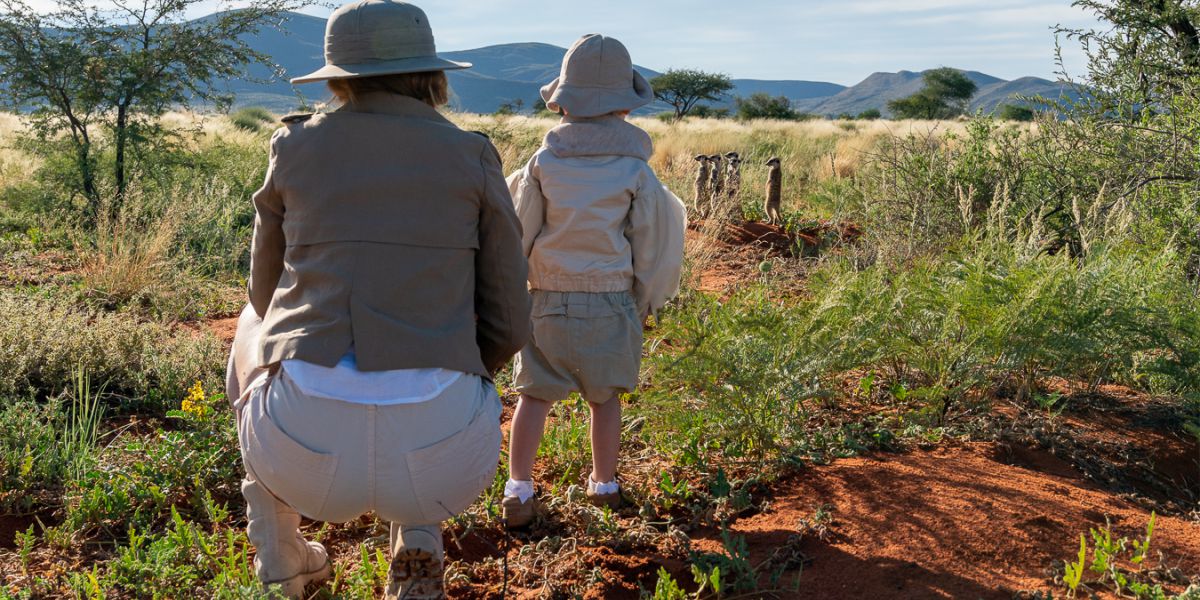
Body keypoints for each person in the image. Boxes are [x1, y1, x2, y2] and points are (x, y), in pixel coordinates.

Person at [226, 1, 532, 598]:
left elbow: (265, 294)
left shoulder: (293, 145)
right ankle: (418, 548)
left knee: (254, 325)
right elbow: (509, 321)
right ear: (431, 72)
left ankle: (280, 550)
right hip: (440, 459)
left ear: (337, 75)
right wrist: (461, 364)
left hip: (298, 453)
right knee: (438, 356)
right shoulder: (472, 153)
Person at [502, 34, 687, 528]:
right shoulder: (636, 170)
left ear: (562, 100)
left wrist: (510, 291)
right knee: (605, 399)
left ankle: (519, 489)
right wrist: (645, 298)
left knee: (533, 396)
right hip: (611, 300)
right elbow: (649, 244)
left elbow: (519, 232)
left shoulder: (541, 164)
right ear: (625, 108)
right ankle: (604, 486)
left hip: (546, 299)